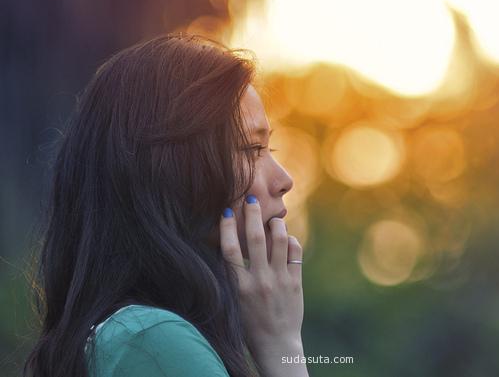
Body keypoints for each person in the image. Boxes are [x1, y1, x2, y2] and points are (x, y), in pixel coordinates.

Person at [23, 34, 308, 377]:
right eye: (251, 150)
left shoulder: (136, 334)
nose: (284, 180)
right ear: (172, 169)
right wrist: (283, 349)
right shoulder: (153, 341)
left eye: (269, 150)